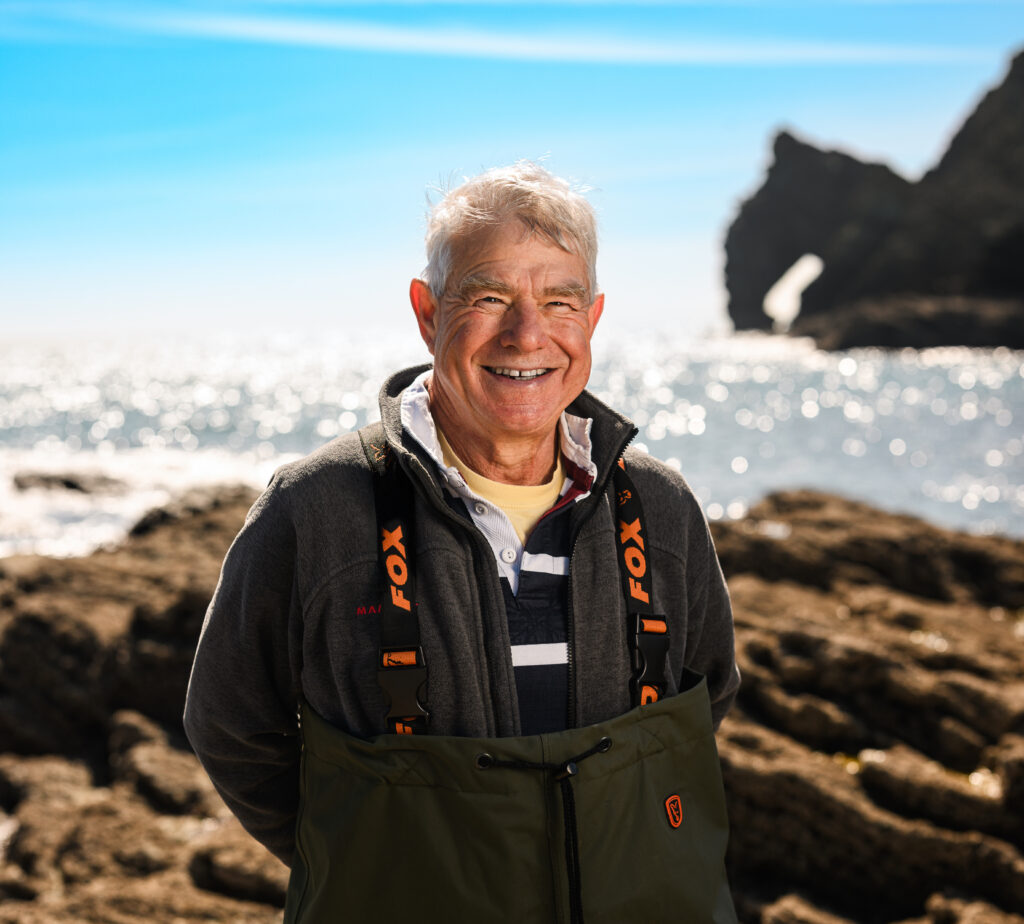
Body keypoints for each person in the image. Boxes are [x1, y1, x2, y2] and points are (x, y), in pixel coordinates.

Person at [184, 162, 741, 923]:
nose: (527, 335)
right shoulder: (315, 510)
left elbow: (705, 698)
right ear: (426, 310)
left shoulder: (662, 510)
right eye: (489, 298)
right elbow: (230, 722)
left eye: (558, 301)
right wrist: (363, 861)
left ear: (594, 317)